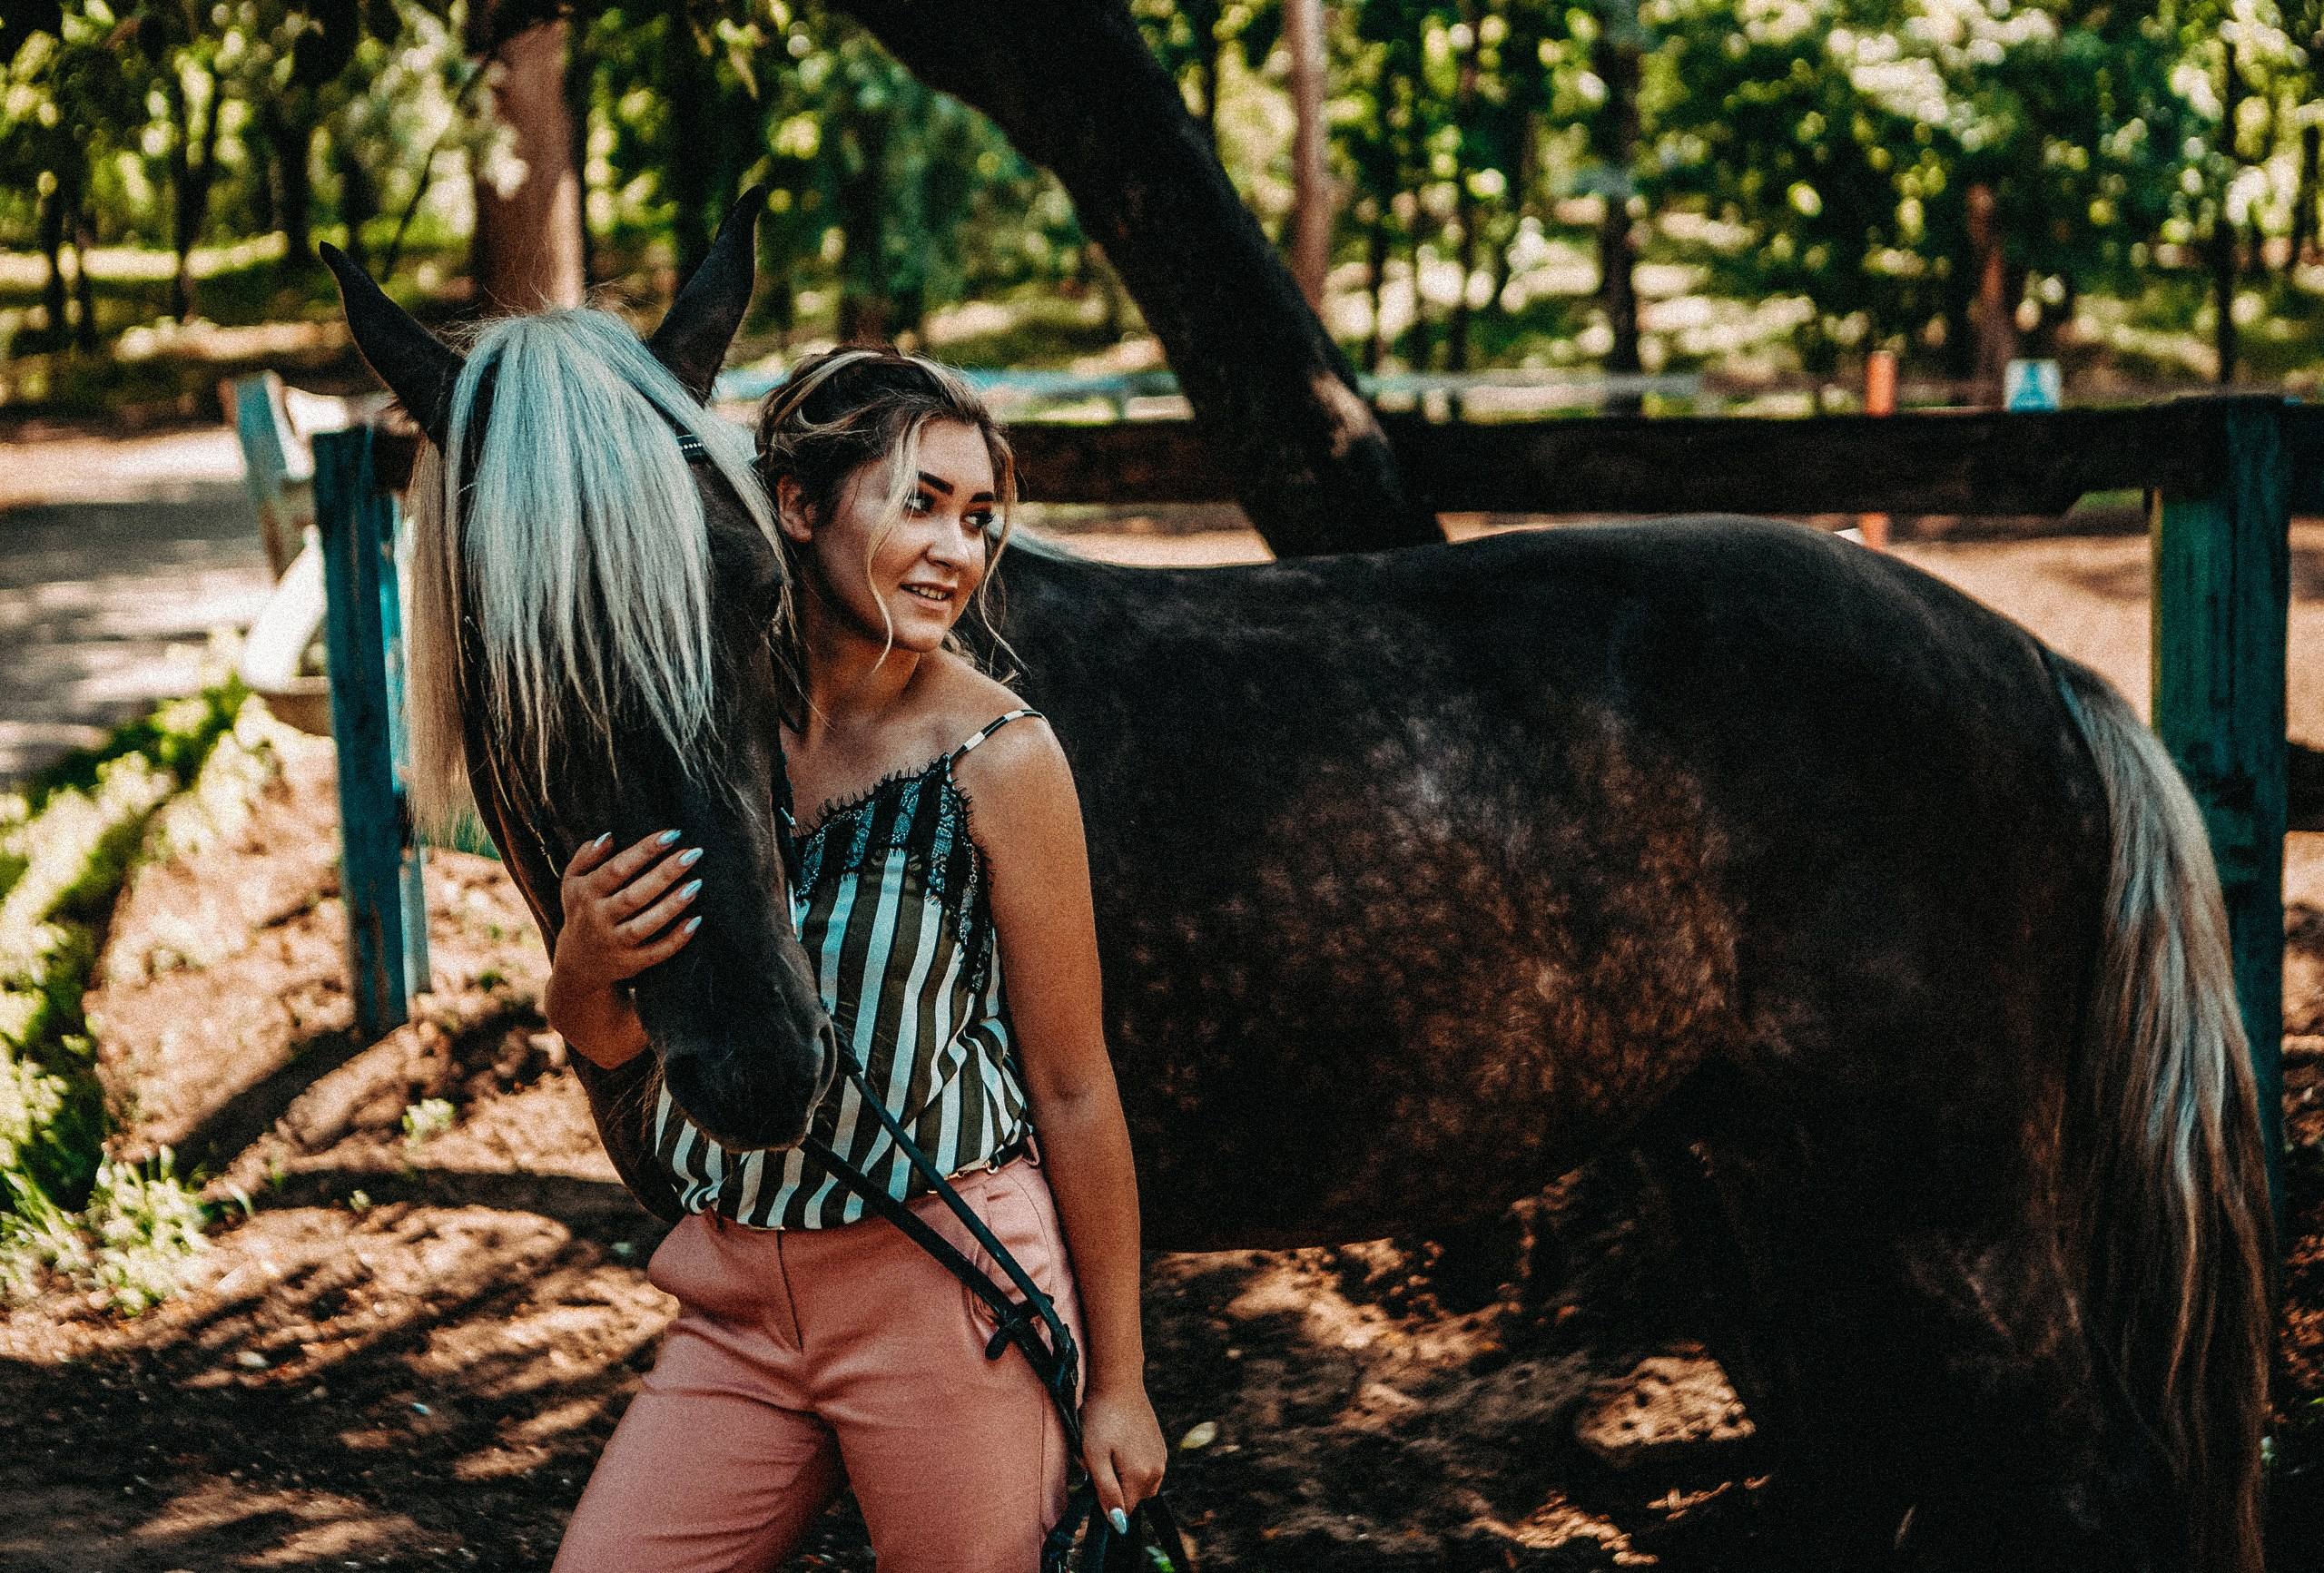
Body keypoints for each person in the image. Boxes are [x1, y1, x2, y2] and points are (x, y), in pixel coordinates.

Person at [546, 349, 1167, 1572]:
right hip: (736, 1294)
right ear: (798, 504)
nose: (957, 549)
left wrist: (1123, 1381)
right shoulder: (709, 729)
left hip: (945, 1289)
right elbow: (627, 1038)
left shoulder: (1001, 757)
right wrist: (580, 967)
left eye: (979, 517)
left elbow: (1076, 1086)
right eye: (920, 501)